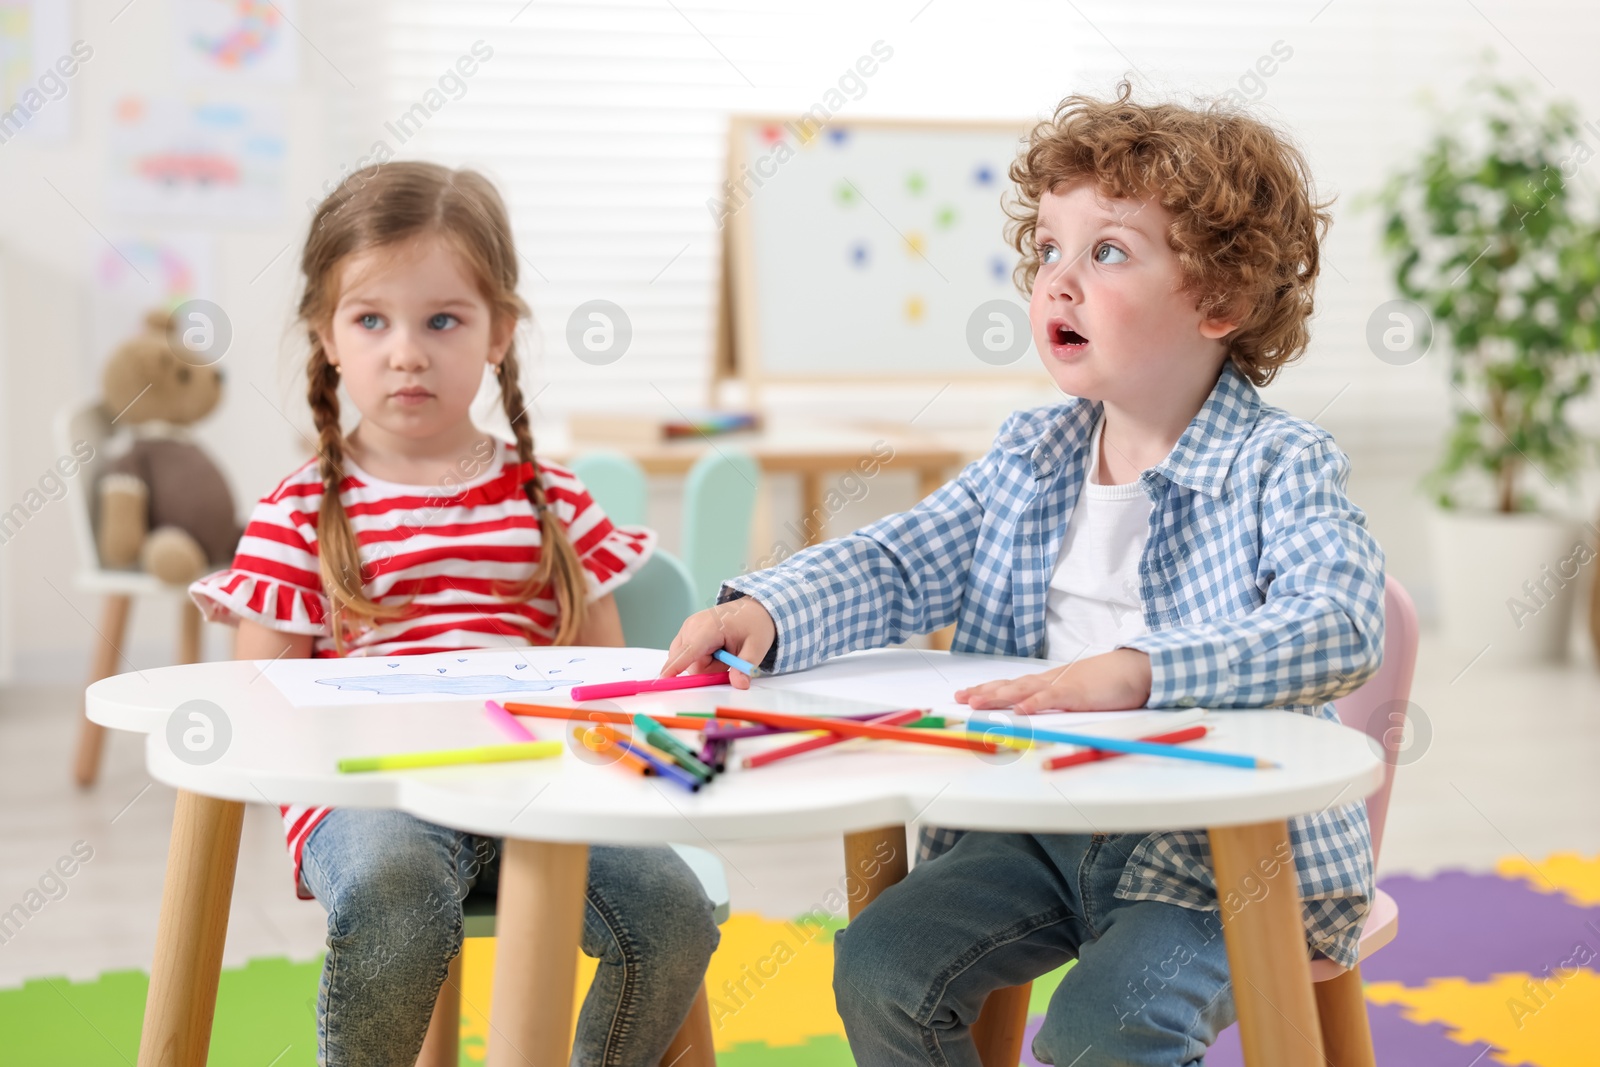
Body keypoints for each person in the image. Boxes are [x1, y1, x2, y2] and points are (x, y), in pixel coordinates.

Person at [659, 82, 1386, 1066]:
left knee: (1106, 1028)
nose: (1058, 281)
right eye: (1049, 248)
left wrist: (1135, 669)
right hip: (1036, 827)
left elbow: (1338, 623)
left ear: (1218, 298)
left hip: (1214, 856)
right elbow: (904, 557)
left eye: (1107, 251)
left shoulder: (1279, 465)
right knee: (879, 964)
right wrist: (769, 607)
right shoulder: (1032, 453)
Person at [190, 161, 719, 1067]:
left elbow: (600, 683)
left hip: (543, 792)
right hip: (373, 799)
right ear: (326, 335)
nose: (407, 352)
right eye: (371, 320)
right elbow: (259, 708)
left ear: (499, 332)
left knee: (672, 914)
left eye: (443, 319)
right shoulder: (297, 516)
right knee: (397, 892)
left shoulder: (549, 500)